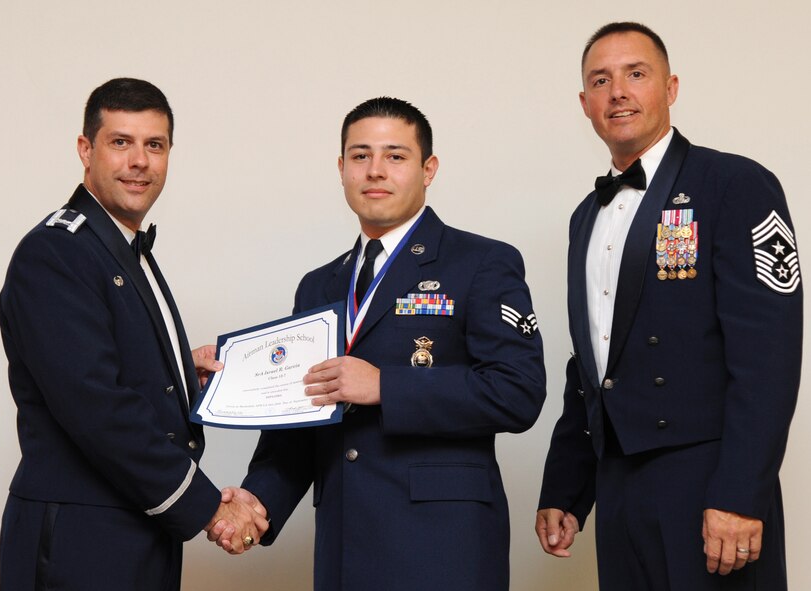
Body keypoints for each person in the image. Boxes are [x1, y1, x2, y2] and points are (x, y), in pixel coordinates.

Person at [218, 97, 546, 590]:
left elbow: (518, 392)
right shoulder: (320, 284)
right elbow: (301, 417)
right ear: (341, 167)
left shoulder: (481, 262)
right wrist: (255, 502)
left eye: (395, 156)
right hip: (346, 544)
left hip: (444, 547)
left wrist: (386, 386)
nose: (375, 171)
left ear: (427, 168)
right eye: (360, 155)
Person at [535, 22, 802, 590]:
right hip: (619, 487)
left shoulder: (735, 184)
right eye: (601, 81)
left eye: (636, 74)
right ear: (585, 103)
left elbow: (768, 357)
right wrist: (566, 487)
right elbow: (591, 363)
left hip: (709, 481)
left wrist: (739, 493)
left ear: (671, 87)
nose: (618, 92)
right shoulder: (586, 216)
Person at [0, 78, 268, 591]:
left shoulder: (117, 246)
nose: (139, 160)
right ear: (86, 149)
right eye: (120, 142)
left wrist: (181, 373)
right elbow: (96, 406)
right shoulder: (56, 252)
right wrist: (210, 508)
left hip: (133, 526)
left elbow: (99, 362)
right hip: (82, 539)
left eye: (154, 145)